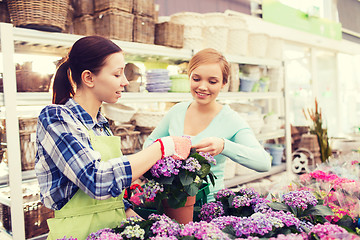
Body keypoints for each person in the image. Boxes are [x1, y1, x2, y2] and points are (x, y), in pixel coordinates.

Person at [35, 36, 191, 240]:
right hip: (77, 233)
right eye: (118, 74)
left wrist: (150, 228)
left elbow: (111, 198)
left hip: (112, 230)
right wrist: (161, 148)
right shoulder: (56, 118)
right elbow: (96, 180)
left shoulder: (102, 125)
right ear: (89, 78)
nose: (125, 81)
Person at [144, 48, 272, 201]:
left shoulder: (231, 119)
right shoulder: (177, 111)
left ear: (224, 83)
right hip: (171, 203)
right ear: (189, 77)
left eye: (212, 81)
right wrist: (166, 149)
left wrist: (224, 146)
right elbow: (149, 144)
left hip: (208, 207)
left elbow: (263, 162)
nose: (203, 87)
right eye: (196, 79)